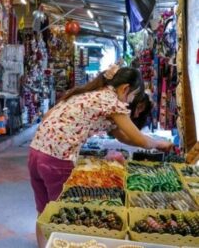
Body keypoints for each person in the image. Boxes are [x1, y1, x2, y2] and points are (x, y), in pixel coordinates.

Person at [28, 66, 173, 247]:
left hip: (35, 152)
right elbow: (139, 139)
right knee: (63, 216)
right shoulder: (111, 101)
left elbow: (123, 136)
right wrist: (160, 144)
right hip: (58, 159)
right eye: (133, 97)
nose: (130, 102)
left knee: (44, 212)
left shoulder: (91, 95)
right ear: (125, 89)